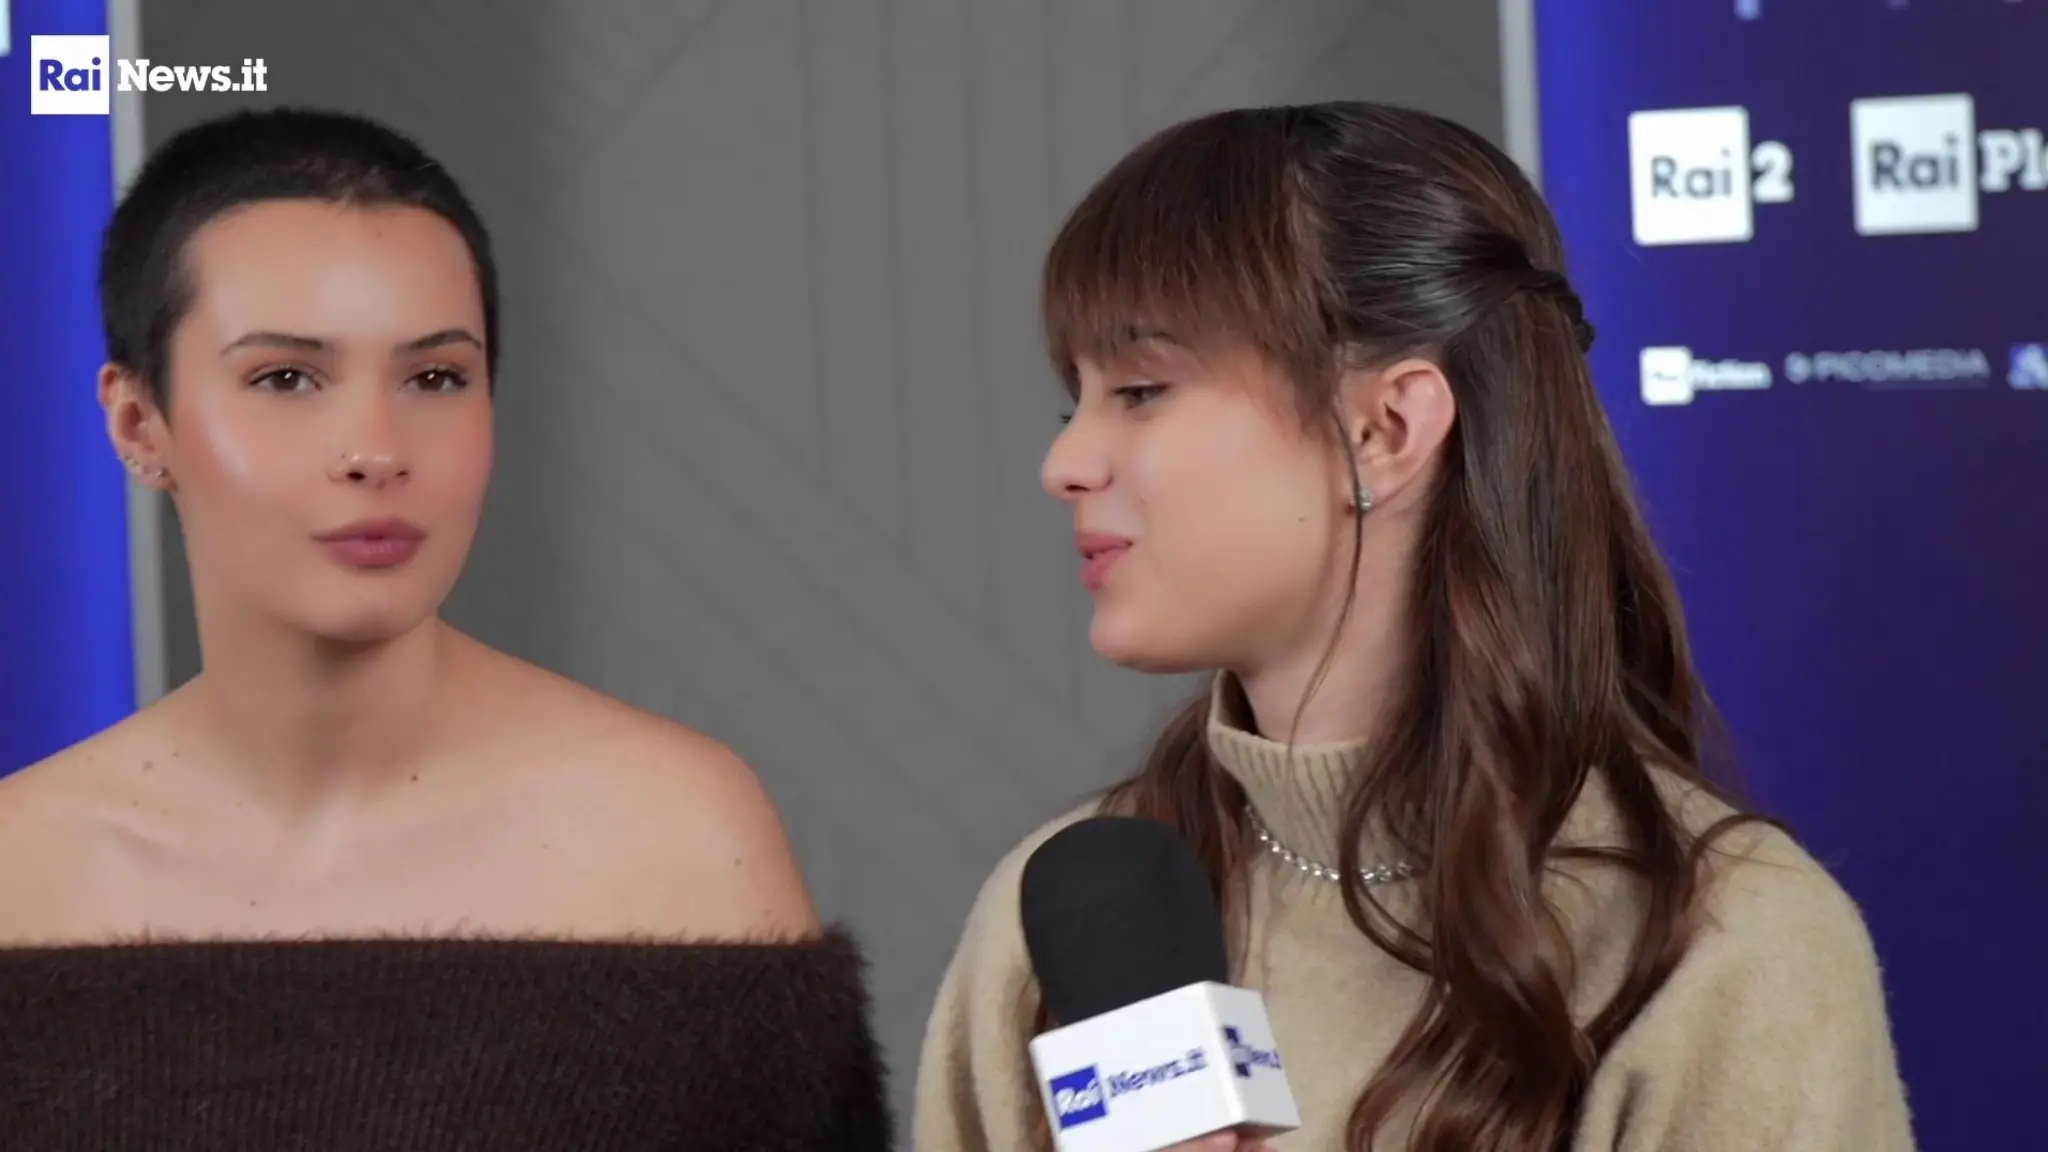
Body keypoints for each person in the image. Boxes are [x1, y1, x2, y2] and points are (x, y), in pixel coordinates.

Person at [913, 102, 1915, 1152]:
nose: (1065, 463)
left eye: (1140, 390)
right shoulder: (1058, 922)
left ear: (1385, 428)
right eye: (1071, 401)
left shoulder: (1727, 944)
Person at [0, 107, 889, 1149]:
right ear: (136, 422)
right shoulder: (24, 871)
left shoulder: (678, 836)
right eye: (285, 378)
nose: (376, 450)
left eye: (435, 378)